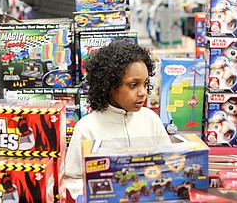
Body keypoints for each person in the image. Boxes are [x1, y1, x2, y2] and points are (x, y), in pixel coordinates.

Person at [65, 40, 171, 200]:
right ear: (110, 85)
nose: (142, 92)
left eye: (145, 84)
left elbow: (168, 163)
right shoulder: (86, 128)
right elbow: (73, 178)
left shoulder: (151, 120)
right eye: (133, 85)